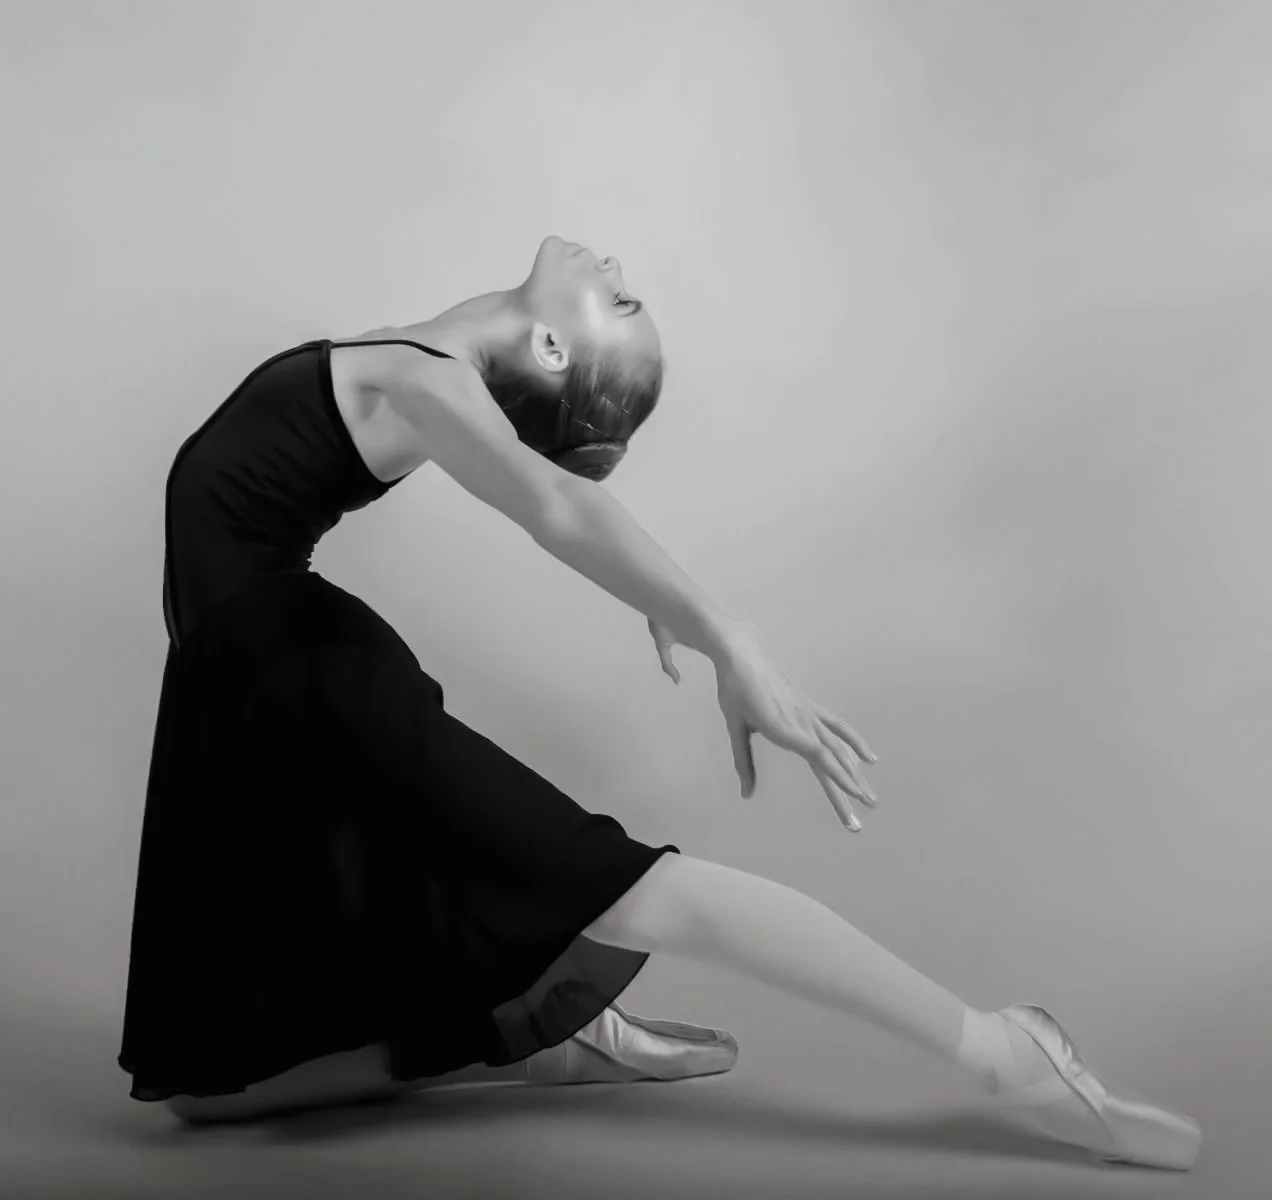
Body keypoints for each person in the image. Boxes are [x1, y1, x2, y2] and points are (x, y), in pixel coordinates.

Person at [116, 236, 1201, 1171]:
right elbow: (554, 488)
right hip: (242, 682)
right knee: (203, 1090)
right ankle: (528, 1045)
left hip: (296, 667)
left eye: (618, 303)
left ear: (548, 348)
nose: (617, 272)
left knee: (640, 893)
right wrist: (660, 592)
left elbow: (551, 501)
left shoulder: (420, 379)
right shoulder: (425, 374)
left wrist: (726, 633)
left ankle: (1003, 1051)